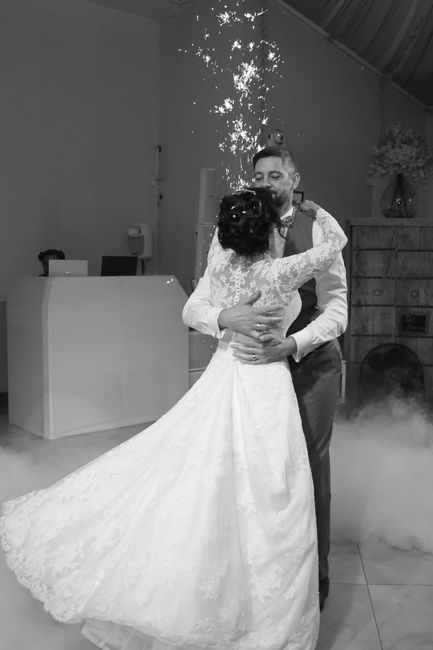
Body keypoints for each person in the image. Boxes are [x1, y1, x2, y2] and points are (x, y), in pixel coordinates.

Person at [1, 187, 347, 650]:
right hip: (264, 384)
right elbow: (335, 243)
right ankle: (255, 603)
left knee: (210, 479)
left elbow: (217, 264)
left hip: (225, 375)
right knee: (269, 490)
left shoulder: (220, 263)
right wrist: (315, 210)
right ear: (270, 231)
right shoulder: (280, 271)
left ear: (225, 233)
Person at [183, 148, 348, 612]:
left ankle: (312, 581)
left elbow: (336, 308)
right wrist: (225, 316)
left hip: (310, 361)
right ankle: (250, 576)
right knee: (246, 470)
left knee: (305, 469)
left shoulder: (315, 229)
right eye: (259, 175)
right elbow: (197, 303)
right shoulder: (233, 233)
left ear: (294, 179)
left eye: (276, 174)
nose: (267, 182)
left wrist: (293, 344)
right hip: (251, 369)